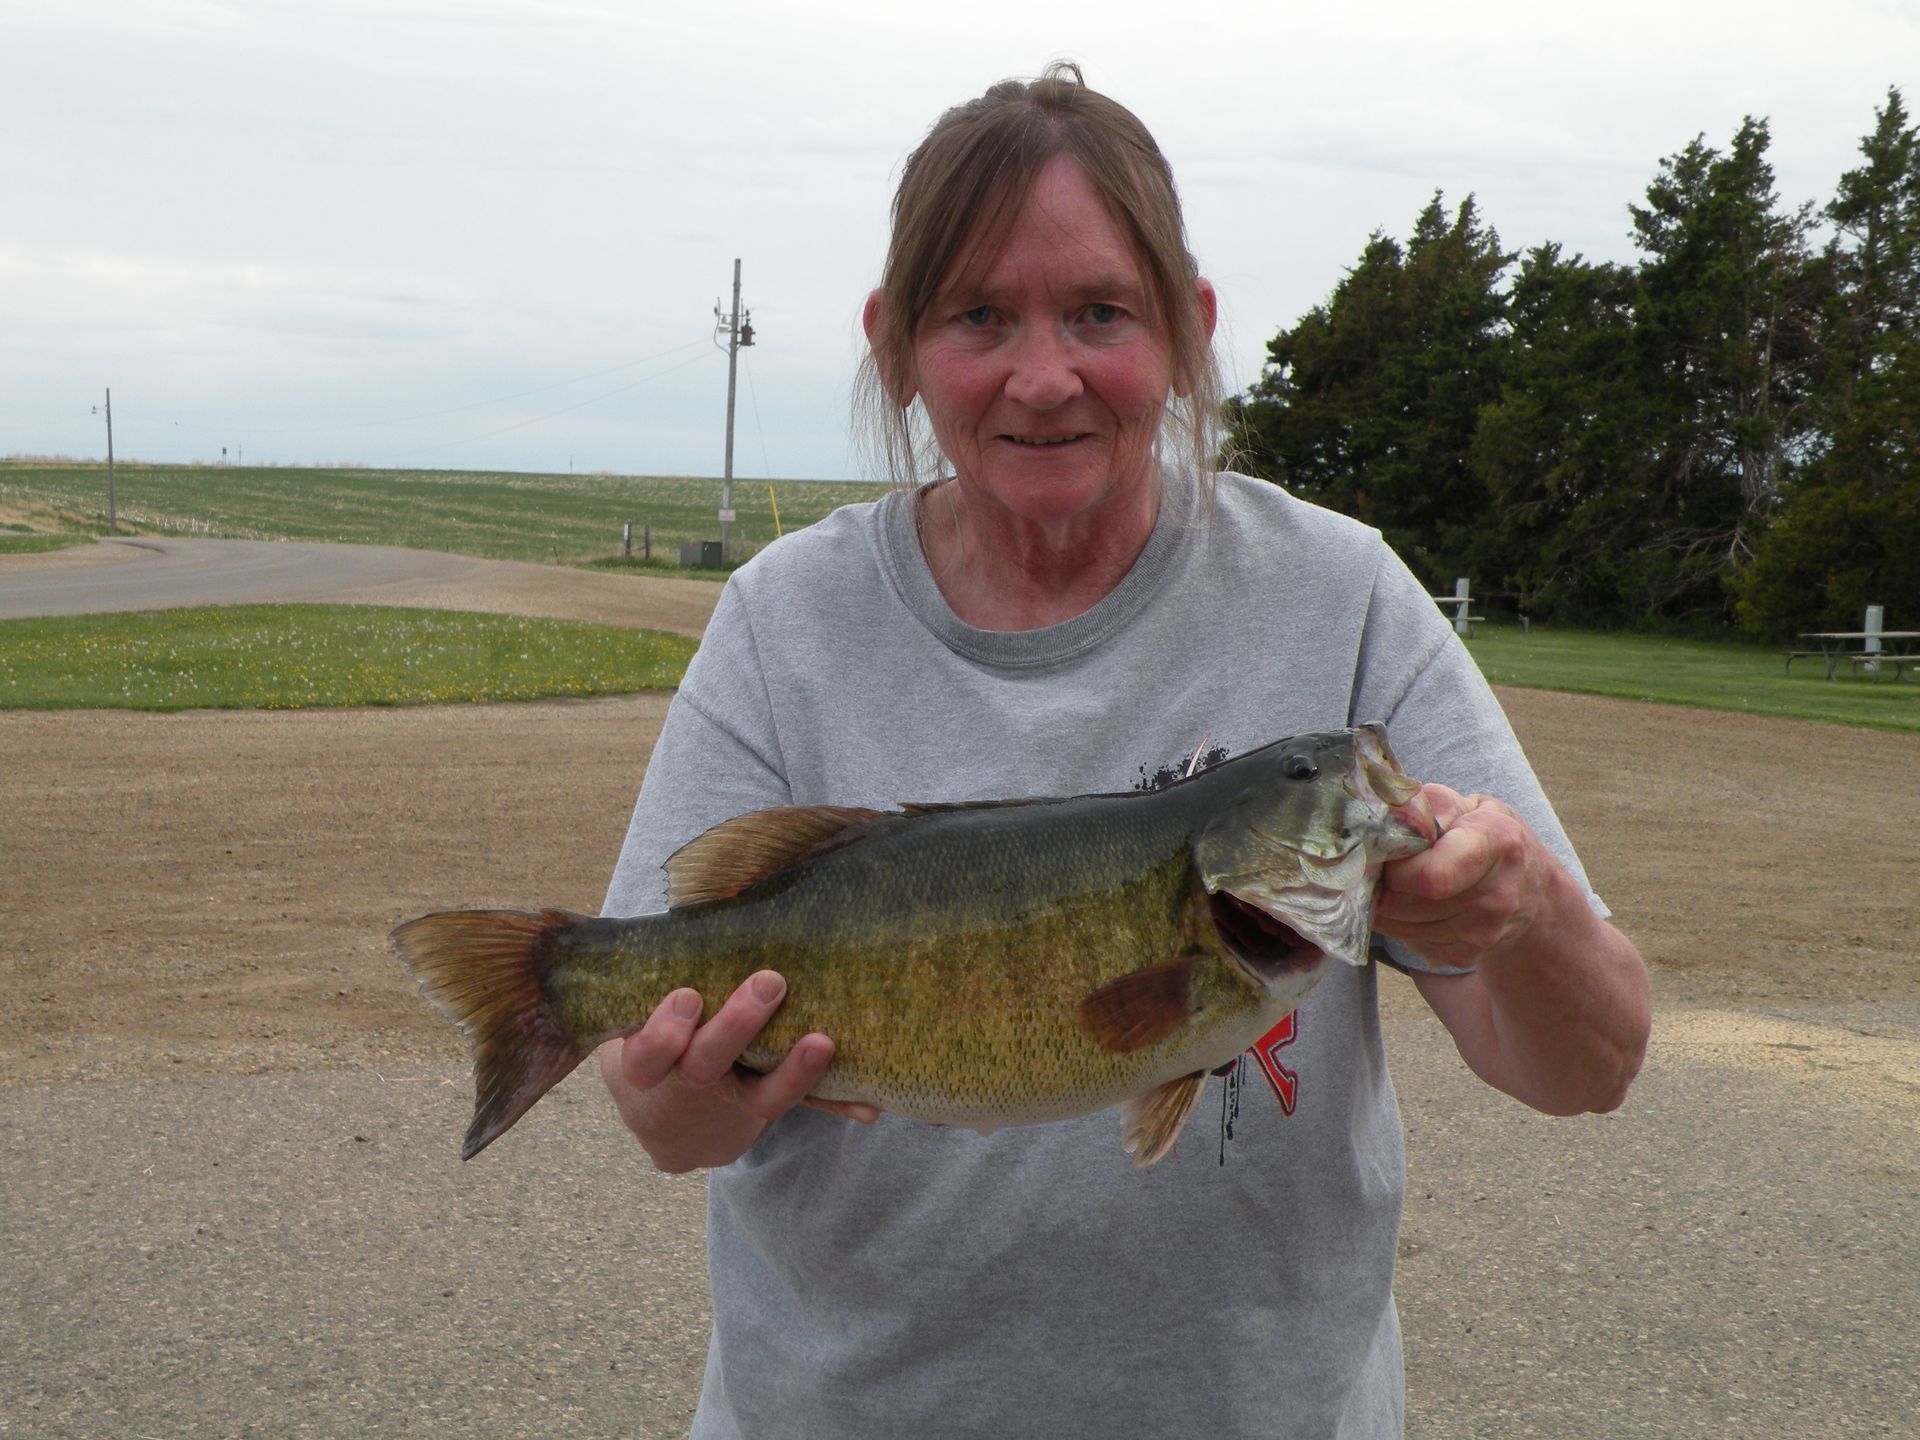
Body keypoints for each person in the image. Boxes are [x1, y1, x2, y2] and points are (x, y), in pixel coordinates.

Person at [599, 62, 1650, 1439]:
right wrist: (690, 1088)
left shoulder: (1341, 598)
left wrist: (1524, 915)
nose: (1045, 377)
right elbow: (671, 1129)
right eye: (980, 316)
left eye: (1101, 312)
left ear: (1190, 329)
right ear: (898, 342)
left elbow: (1589, 1068)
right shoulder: (783, 623)